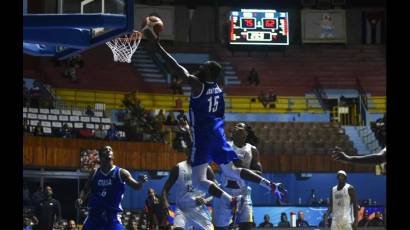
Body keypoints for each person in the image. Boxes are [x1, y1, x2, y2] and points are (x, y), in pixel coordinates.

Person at [144, 27, 287, 214]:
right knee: (232, 171)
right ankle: (271, 186)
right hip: (218, 136)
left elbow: (178, 71)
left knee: (199, 181)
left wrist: (158, 48)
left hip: (203, 138)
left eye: (203, 67)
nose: (200, 68)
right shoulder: (219, 89)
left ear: (209, 73)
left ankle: (230, 199)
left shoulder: (198, 86)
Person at [75, 145, 148, 230]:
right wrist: (80, 198)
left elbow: (137, 187)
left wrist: (140, 182)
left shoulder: (121, 173)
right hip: (94, 216)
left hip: (112, 217)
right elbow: (85, 189)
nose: (109, 150)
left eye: (110, 149)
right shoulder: (94, 173)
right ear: (100, 156)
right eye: (106, 150)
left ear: (113, 155)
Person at [162, 119, 214, 230]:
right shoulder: (178, 168)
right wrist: (166, 206)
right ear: (187, 152)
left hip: (199, 209)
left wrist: (206, 200)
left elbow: (215, 192)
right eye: (191, 150)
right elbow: (165, 190)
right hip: (182, 209)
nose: (193, 153)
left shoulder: (206, 168)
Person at [214, 122, 264, 230]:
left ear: (246, 133)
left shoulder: (252, 150)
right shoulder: (226, 146)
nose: (236, 127)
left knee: (247, 226)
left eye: (240, 126)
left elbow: (259, 174)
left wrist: (242, 170)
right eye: (235, 126)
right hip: (224, 191)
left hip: (243, 192)